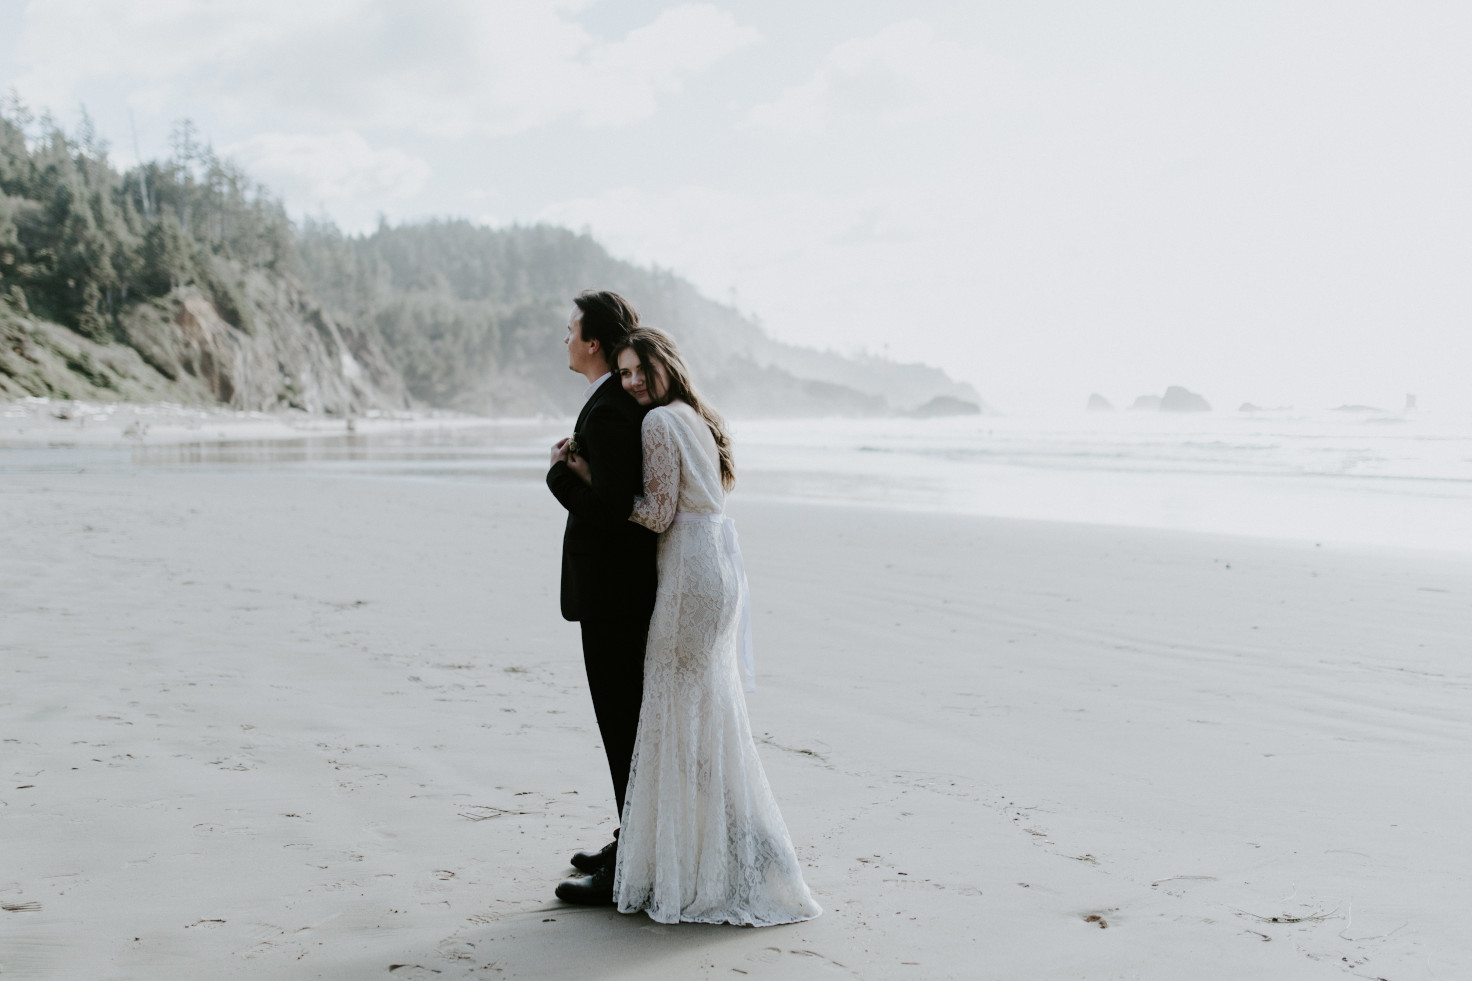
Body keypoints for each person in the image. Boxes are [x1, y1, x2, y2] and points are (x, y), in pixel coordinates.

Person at [561, 327, 821, 926]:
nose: (631, 383)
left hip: (685, 574)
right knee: (710, 717)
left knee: (673, 720)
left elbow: (653, 514)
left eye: (639, 370)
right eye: (623, 374)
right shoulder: (698, 415)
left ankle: (671, 865)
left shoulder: (656, 424)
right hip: (721, 569)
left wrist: (582, 478)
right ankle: (756, 850)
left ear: (664, 362)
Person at [545, 291, 657, 904]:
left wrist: (559, 474)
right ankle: (631, 837)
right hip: (618, 596)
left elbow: (614, 512)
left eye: (569, 331)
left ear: (592, 343)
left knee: (622, 729)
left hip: (615, 599)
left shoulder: (610, 411)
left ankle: (629, 868)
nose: (563, 340)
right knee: (625, 727)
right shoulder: (610, 403)